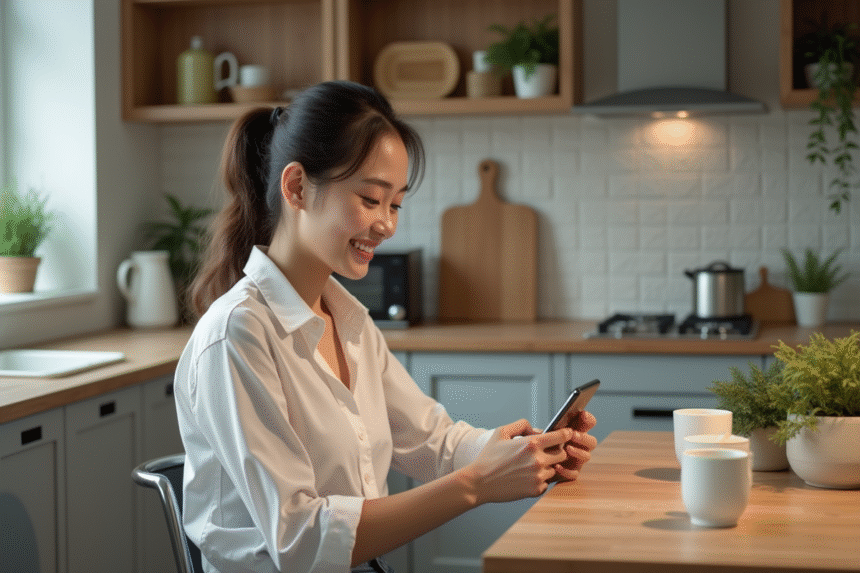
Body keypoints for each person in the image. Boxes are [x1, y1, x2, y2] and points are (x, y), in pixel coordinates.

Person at [174, 80, 598, 573]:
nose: (387, 225)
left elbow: (431, 440)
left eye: (395, 204)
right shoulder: (237, 336)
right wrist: (476, 483)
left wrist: (522, 452)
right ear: (296, 188)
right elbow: (301, 542)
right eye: (371, 200)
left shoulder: (348, 319)